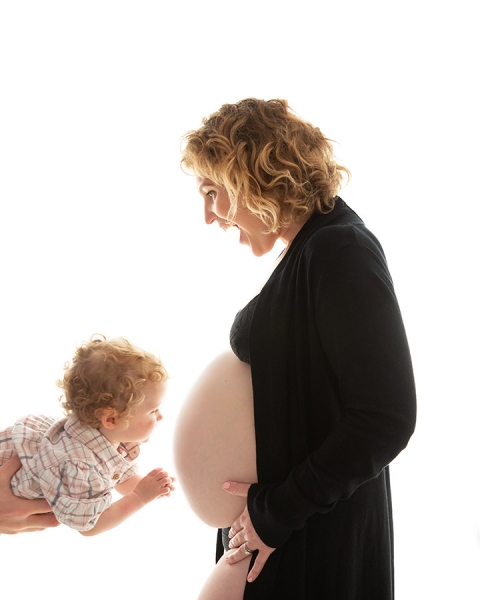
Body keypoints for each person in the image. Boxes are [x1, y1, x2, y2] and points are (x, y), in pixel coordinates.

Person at [174, 98, 417, 599]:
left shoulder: (339, 250)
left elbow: (386, 415)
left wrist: (278, 511)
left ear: (253, 175)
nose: (209, 216)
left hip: (309, 530)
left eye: (212, 191)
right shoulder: (313, 250)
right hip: (285, 523)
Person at [0, 334, 174, 536]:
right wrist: (140, 497)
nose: (160, 416)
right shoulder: (79, 464)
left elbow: (121, 477)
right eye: (153, 411)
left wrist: (152, 488)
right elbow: (92, 525)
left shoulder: (100, 439)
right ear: (110, 419)